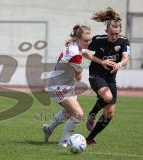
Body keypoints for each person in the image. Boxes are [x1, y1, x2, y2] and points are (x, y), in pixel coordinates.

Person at [42, 24, 106, 147]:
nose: (89, 43)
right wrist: (80, 68)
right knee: (78, 114)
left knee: (69, 112)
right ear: (78, 39)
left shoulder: (74, 45)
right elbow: (79, 77)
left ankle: (49, 129)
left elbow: (85, 52)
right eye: (86, 41)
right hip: (57, 86)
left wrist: (100, 61)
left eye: (90, 40)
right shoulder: (75, 54)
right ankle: (64, 141)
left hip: (66, 84)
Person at [85, 7, 130, 145]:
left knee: (109, 113)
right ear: (106, 31)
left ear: (120, 32)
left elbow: (125, 58)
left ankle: (90, 138)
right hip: (96, 75)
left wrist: (119, 64)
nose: (114, 36)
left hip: (110, 78)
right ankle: (92, 114)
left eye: (116, 34)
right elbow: (84, 52)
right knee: (107, 97)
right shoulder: (98, 40)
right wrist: (101, 61)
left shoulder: (123, 41)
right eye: (111, 34)